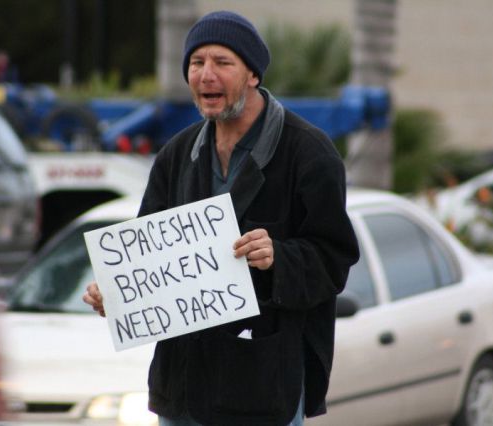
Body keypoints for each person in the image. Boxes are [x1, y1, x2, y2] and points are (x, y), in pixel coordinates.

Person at [83, 10, 359, 426]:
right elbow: (149, 256)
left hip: (262, 388)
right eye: (197, 64)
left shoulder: (309, 153)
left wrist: (278, 258)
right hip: (183, 389)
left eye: (222, 63)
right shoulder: (175, 155)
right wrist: (118, 294)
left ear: (252, 74)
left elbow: (334, 259)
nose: (206, 75)